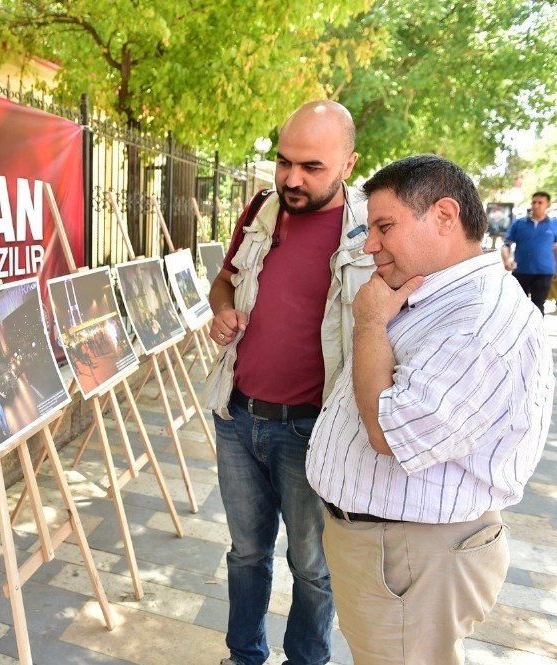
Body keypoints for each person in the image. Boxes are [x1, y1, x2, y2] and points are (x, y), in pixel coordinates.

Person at [306, 155, 553, 664]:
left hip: (413, 556)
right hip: (396, 552)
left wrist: (370, 325)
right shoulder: (436, 295)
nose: (370, 243)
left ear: (444, 215)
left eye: (384, 226)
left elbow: (389, 432)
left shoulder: (478, 320)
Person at [205, 100, 373, 665]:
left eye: (311, 167)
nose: (291, 178)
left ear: (348, 163)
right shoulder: (261, 209)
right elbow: (222, 283)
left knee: (313, 567)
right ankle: (243, 655)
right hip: (237, 418)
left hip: (313, 430)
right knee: (246, 554)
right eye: (284, 162)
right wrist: (222, 310)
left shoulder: (371, 230)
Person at [500, 191, 556, 312]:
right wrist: (507, 259)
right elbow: (506, 245)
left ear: (548, 204)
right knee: (518, 307)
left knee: (538, 306)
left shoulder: (554, 224)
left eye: (540, 202)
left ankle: (537, 331)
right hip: (521, 271)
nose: (536, 205)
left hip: (544, 272)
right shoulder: (519, 223)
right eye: (534, 202)